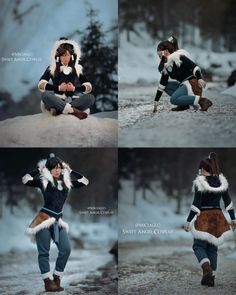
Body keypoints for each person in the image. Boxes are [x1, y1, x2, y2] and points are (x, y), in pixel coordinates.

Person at [22, 154, 89, 292]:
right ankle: (48, 282)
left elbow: (85, 182)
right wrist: (39, 170)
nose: (57, 170)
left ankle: (56, 277)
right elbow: (25, 180)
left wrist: (71, 171)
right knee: (44, 252)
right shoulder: (43, 182)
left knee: (66, 249)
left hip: (58, 221)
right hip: (43, 220)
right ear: (49, 169)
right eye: (54, 168)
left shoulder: (66, 183)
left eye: (59, 168)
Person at [184, 152, 236, 287]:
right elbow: (228, 203)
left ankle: (206, 268)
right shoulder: (222, 183)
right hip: (218, 217)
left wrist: (188, 221)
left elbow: (196, 205)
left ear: (207, 170)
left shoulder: (199, 183)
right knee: (212, 249)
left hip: (205, 217)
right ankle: (211, 278)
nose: (200, 171)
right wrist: (233, 219)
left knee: (198, 246)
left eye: (202, 169)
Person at [38, 37, 95, 120]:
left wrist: (74, 88)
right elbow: (41, 85)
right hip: (56, 99)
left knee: (90, 98)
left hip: (72, 101)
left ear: (71, 56)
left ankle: (60, 110)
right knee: (45, 95)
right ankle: (73, 111)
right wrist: (59, 88)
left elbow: (88, 87)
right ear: (58, 56)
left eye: (68, 55)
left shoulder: (77, 68)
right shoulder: (52, 68)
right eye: (63, 55)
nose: (66, 58)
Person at [153, 36, 212, 112]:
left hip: (192, 84)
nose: (159, 55)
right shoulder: (166, 64)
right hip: (184, 85)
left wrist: (199, 78)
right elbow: (162, 84)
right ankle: (184, 105)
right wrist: (156, 101)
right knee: (166, 86)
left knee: (173, 99)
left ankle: (202, 101)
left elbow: (194, 67)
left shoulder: (179, 57)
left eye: (160, 53)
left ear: (166, 51)